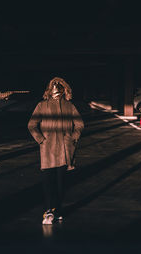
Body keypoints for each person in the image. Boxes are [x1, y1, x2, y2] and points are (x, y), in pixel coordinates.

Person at [28, 77, 84, 225]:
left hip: (65, 150)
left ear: (64, 91)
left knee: (61, 184)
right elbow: (32, 125)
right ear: (49, 92)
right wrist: (41, 139)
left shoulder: (69, 106)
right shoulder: (42, 106)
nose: (57, 94)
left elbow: (79, 124)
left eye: (59, 91)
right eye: (54, 91)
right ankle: (49, 211)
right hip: (47, 149)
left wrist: (73, 138)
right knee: (47, 183)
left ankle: (57, 210)